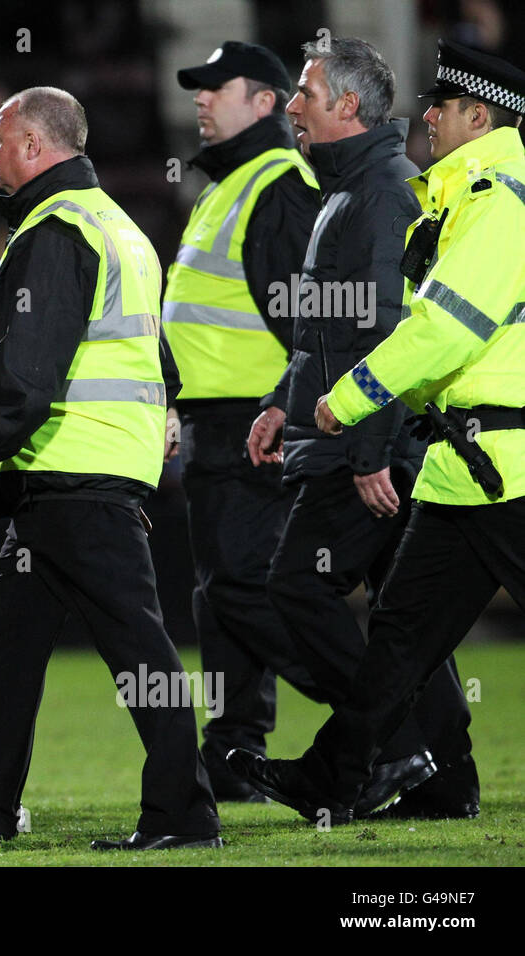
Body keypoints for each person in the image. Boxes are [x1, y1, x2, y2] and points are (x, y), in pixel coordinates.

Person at [0, 87, 221, 851]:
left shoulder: (55, 232)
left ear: (38, 148)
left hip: (75, 474)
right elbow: (155, 351)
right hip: (77, 473)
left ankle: (184, 814)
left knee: (140, 649)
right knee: (9, 644)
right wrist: (166, 413)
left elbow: (27, 378)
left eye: (2, 140)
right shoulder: (121, 229)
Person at [229, 39, 525, 823]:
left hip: (501, 460)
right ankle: (363, 775)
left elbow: (434, 329)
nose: (425, 115)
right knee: (400, 637)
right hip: (463, 463)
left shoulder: (489, 198)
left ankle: (398, 766)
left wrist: (353, 410)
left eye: (442, 106)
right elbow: (345, 333)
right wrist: (291, 402)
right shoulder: (431, 194)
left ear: (479, 115)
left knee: (339, 605)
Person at [162, 41, 324, 800]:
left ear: (265, 101)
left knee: (245, 588)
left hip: (255, 423)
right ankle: (232, 752)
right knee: (221, 592)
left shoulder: (277, 184)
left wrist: (283, 409)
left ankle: (375, 715)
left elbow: (310, 326)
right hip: (219, 421)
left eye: (216, 88)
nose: (201, 99)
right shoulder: (230, 185)